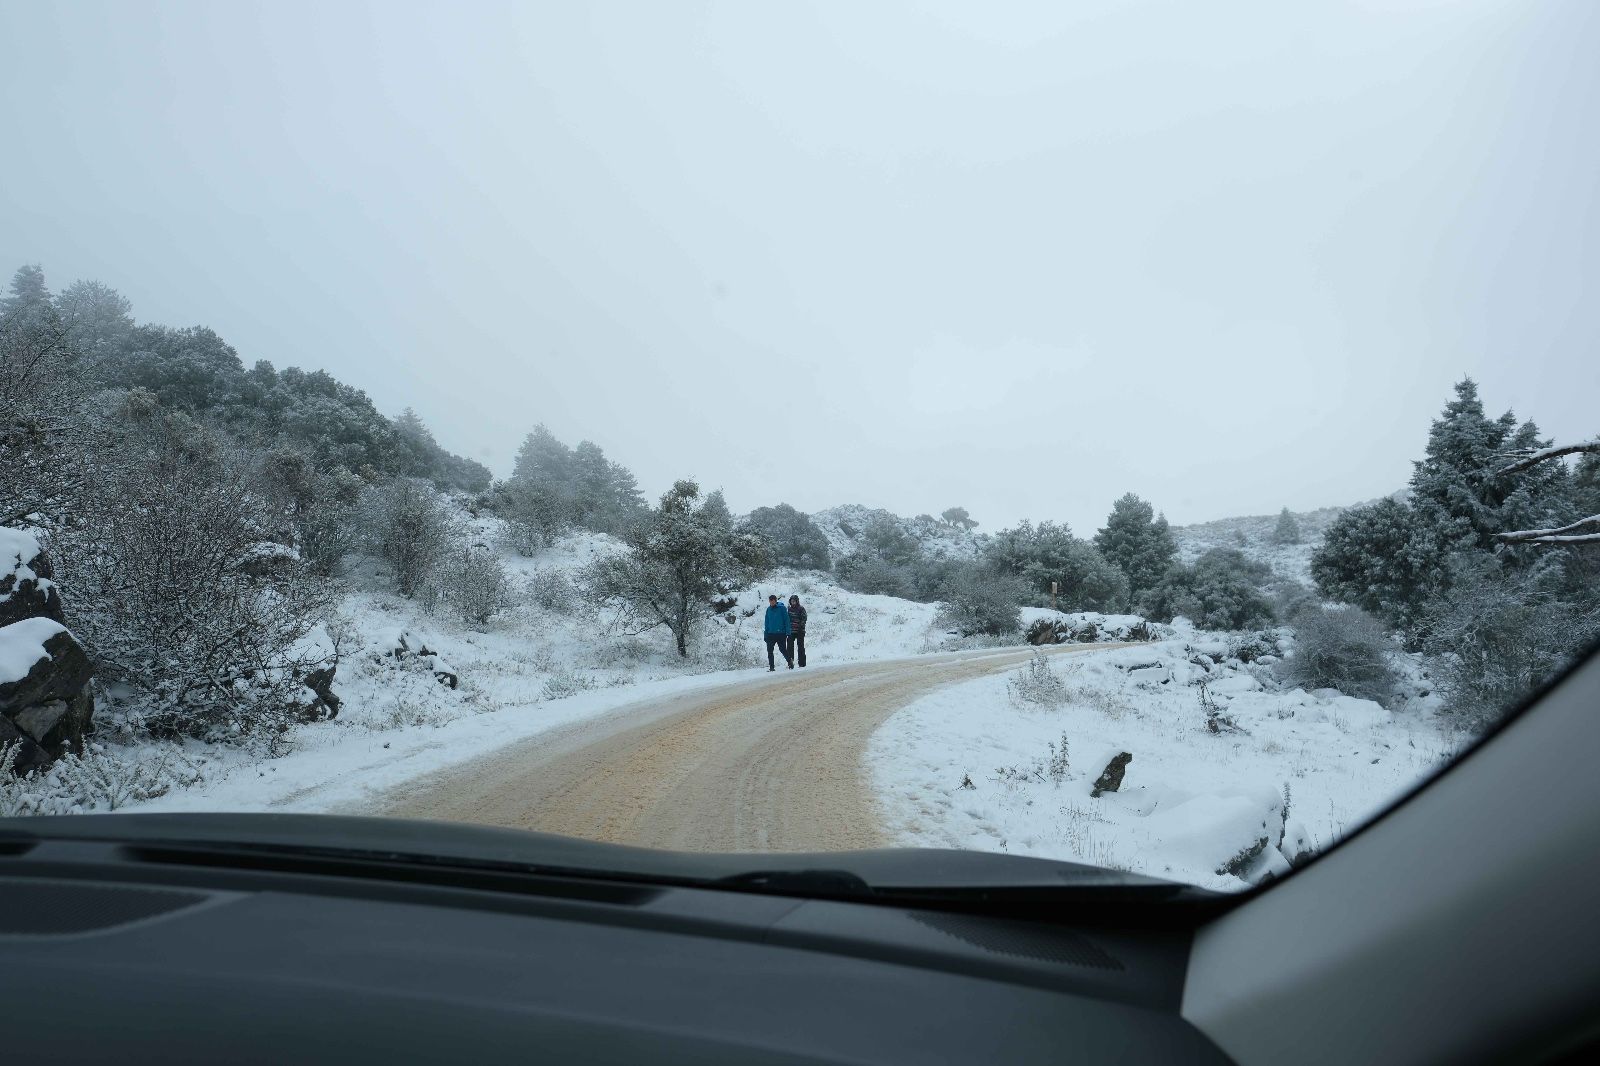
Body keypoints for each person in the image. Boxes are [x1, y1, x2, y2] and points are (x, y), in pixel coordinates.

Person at [763, 594, 793, 671]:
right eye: (770, 601)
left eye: (773, 601)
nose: (771, 603)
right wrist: (765, 634)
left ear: (776, 601)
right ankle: (772, 667)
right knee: (769, 651)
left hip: (781, 633)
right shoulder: (768, 610)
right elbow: (766, 622)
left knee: (782, 649)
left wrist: (788, 633)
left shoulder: (782, 608)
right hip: (770, 634)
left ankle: (789, 661)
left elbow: (787, 621)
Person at [787, 595, 808, 668]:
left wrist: (800, 625)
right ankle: (790, 662)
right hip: (791, 631)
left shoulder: (801, 608)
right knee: (789, 647)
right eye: (792, 601)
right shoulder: (789, 609)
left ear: (797, 601)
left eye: (794, 601)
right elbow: (787, 619)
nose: (793, 602)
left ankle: (802, 663)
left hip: (800, 631)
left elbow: (804, 618)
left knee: (800, 647)